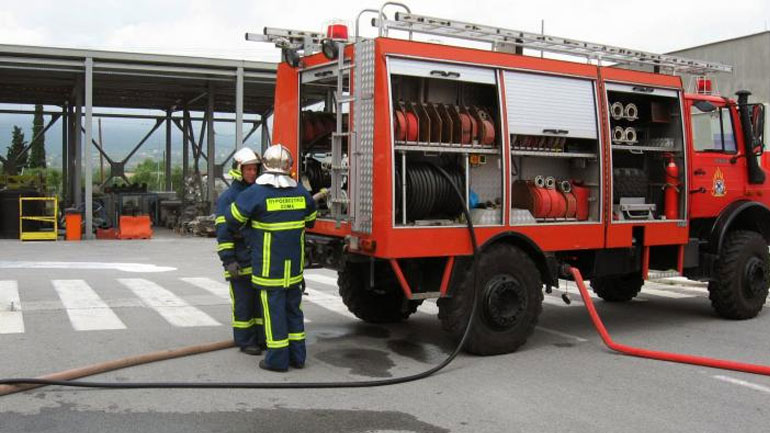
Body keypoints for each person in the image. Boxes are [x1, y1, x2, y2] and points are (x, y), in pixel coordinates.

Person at [223, 144, 316, 372]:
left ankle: (277, 360)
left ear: (265, 165)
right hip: (293, 269)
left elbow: (232, 219)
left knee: (273, 312)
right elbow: (311, 218)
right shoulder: (300, 192)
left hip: (268, 267)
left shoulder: (255, 193)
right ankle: (298, 356)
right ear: (289, 167)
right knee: (294, 310)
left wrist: (250, 227)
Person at [215, 147, 265, 355]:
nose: (252, 173)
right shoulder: (228, 198)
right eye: (248, 170)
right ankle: (245, 341)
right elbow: (223, 233)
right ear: (239, 170)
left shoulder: (260, 193)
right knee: (243, 304)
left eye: (255, 169)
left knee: (261, 304)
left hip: (258, 259)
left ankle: (261, 338)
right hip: (239, 260)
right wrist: (229, 261)